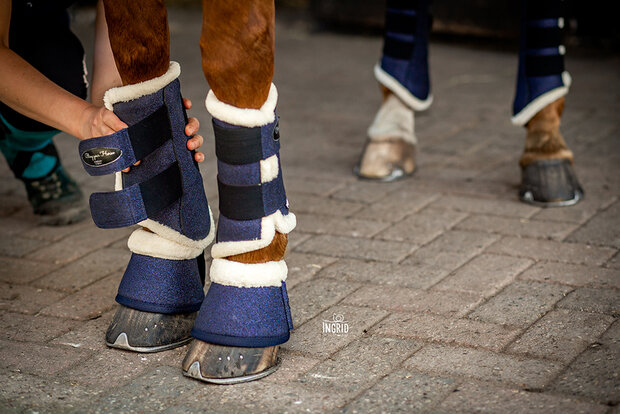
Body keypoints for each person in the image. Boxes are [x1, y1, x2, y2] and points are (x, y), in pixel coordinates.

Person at [0, 0, 204, 225]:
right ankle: (29, 153)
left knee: (63, 70)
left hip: (39, 21)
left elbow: (117, 40)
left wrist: (143, 117)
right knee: (54, 80)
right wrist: (83, 119)